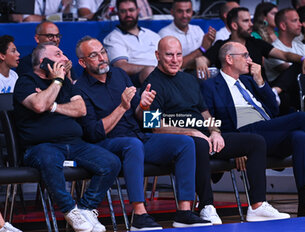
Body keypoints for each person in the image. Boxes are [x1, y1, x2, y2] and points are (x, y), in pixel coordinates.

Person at [143, 36, 290, 223]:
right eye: (169, 55)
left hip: (204, 136)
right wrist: (193, 132)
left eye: (178, 54)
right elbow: (154, 126)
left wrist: (215, 132)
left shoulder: (188, 80)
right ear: (157, 55)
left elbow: (205, 114)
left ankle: (257, 206)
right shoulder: (152, 83)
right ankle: (207, 206)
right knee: (198, 144)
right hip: (181, 142)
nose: (174, 60)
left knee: (255, 142)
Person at [75, 36, 212, 230]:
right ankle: (139, 215)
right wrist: (122, 107)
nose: (102, 58)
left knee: (185, 142)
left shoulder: (120, 75)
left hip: (137, 136)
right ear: (82, 62)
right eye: (94, 55)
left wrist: (143, 106)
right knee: (132, 144)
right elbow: (94, 132)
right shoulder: (80, 88)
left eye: (103, 52)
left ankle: (184, 212)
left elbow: (142, 118)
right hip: (106, 144)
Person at [200, 41, 305, 217]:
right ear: (229, 59)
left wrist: (261, 81)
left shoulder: (249, 81)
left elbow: (273, 109)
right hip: (243, 133)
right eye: (245, 55)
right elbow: (210, 119)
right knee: (301, 117)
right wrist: (236, 146)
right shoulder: (210, 85)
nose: (250, 59)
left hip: (265, 130)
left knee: (300, 137)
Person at [13, 42, 121, 232]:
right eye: (58, 54)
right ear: (42, 61)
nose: (64, 58)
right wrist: (56, 82)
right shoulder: (26, 81)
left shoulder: (67, 84)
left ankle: (86, 208)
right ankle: (70, 210)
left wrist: (52, 106)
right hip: (40, 147)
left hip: (74, 144)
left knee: (110, 162)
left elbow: (80, 110)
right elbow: (38, 105)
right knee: (49, 157)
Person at [103, 0, 160, 87]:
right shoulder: (113, 38)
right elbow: (122, 66)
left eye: (131, 10)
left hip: (160, 73)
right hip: (134, 80)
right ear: (117, 13)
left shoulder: (153, 35)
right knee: (149, 72)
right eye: (123, 11)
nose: (128, 14)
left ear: (138, 11)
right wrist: (153, 68)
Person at [158, 0, 216, 70]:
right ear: (172, 12)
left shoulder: (197, 30)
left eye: (188, 11)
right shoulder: (165, 34)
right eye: (180, 11)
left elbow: (205, 58)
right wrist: (202, 49)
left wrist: (209, 44)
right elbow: (174, 64)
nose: (184, 15)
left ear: (192, 12)